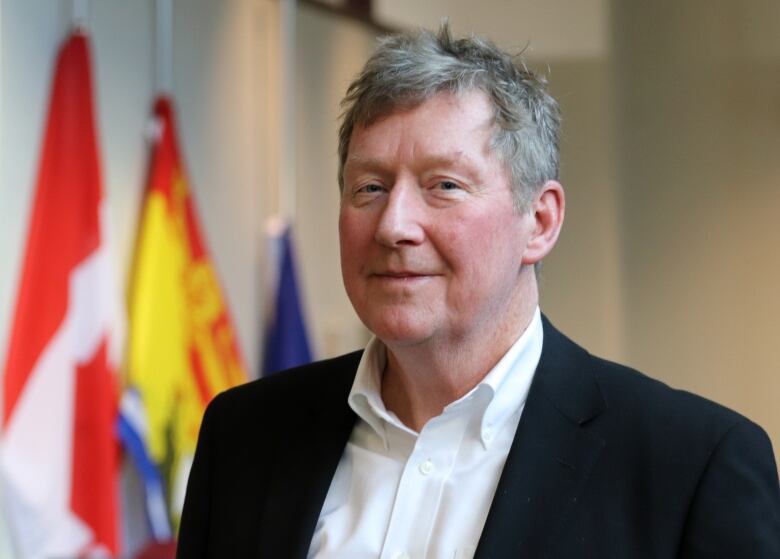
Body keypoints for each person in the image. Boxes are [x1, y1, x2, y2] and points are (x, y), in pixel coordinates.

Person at [176, 25, 780, 558]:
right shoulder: (245, 437)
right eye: (369, 188)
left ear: (539, 222)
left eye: (444, 185)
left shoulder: (691, 467)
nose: (394, 225)